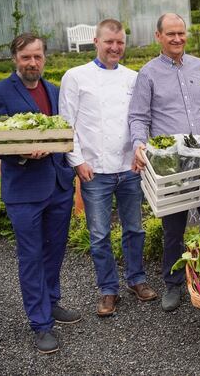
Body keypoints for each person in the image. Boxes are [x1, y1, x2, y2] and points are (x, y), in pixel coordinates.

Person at [0, 33, 80, 353]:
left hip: (58, 185)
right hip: (24, 190)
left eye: (37, 57)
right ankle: (40, 323)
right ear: (15, 59)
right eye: (26, 58)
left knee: (54, 250)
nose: (32, 63)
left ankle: (51, 302)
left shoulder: (54, 90)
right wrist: (22, 154)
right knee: (31, 256)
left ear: (44, 58)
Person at [128, 13, 200, 312]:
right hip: (171, 163)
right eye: (170, 34)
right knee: (174, 228)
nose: (176, 39)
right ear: (158, 36)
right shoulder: (147, 74)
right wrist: (138, 144)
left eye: (181, 33)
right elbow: (138, 117)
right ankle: (173, 283)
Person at [59, 19, 157, 318]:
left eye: (120, 42)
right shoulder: (75, 77)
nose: (115, 47)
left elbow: (142, 120)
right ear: (96, 41)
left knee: (134, 229)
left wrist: (141, 153)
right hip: (95, 170)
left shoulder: (133, 77)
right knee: (99, 234)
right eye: (109, 42)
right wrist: (77, 161)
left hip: (129, 166)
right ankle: (107, 289)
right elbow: (67, 123)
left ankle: (136, 280)